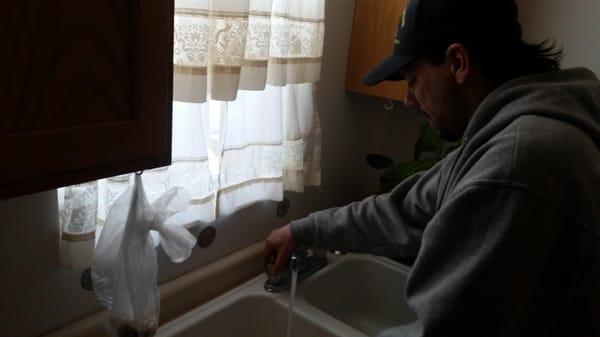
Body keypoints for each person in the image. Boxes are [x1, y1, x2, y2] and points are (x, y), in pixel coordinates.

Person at [264, 0, 600, 336]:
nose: (409, 99)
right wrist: (301, 231)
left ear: (458, 62)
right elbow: (401, 211)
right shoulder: (508, 134)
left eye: (412, 80)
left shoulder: (517, 165)